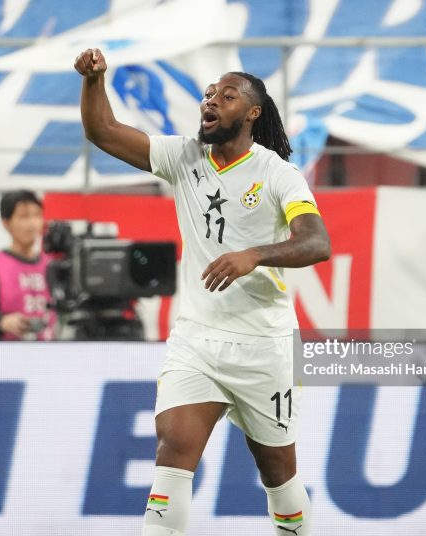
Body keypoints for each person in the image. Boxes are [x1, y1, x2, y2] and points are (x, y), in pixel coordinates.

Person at [75, 49, 330, 536]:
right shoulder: (182, 155)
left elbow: (317, 243)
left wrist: (254, 254)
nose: (211, 101)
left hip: (264, 345)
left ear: (252, 112)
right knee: (173, 453)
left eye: (226, 96)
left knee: (278, 475)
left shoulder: (277, 173)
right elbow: (102, 130)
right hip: (197, 338)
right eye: (208, 94)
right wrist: (94, 80)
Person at [0, 190, 55, 341]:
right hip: (5, 356)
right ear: (6, 222)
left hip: (49, 354)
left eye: (37, 215)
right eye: (24, 216)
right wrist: (1, 322)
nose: (32, 223)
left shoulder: (53, 265)